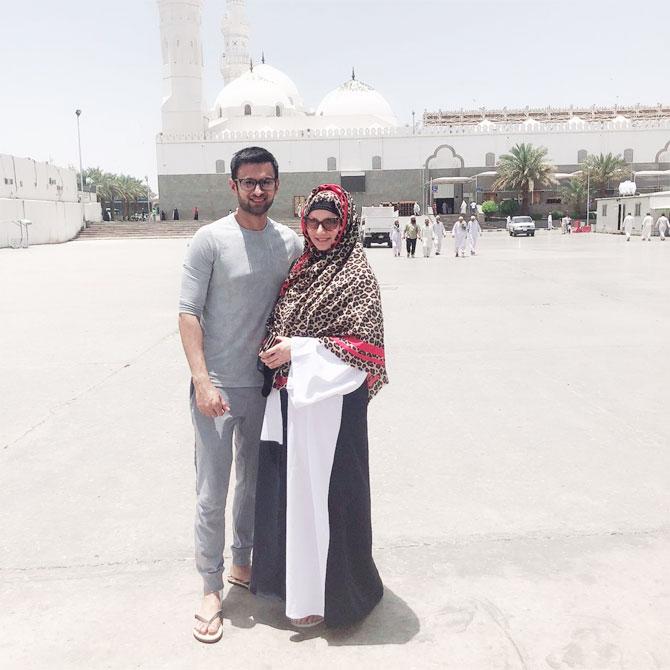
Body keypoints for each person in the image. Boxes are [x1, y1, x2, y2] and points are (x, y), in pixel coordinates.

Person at [178, 146, 303, 644]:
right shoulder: (208, 241)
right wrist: (203, 382)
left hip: (266, 391)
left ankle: (243, 563)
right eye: (248, 181)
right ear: (233, 186)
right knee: (212, 491)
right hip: (218, 389)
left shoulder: (289, 243)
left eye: (266, 181)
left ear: (277, 185)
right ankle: (210, 586)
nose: (257, 190)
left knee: (253, 487)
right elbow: (188, 314)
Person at [251, 183, 387, 629]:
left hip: (333, 407)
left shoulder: (357, 273)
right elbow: (282, 321)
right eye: (314, 222)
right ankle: (301, 592)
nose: (322, 231)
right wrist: (277, 350)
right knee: (295, 497)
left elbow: (364, 347)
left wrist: (300, 350)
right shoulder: (301, 268)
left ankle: (340, 597)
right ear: (304, 224)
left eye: (331, 223)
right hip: (293, 402)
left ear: (345, 224)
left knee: (332, 498)